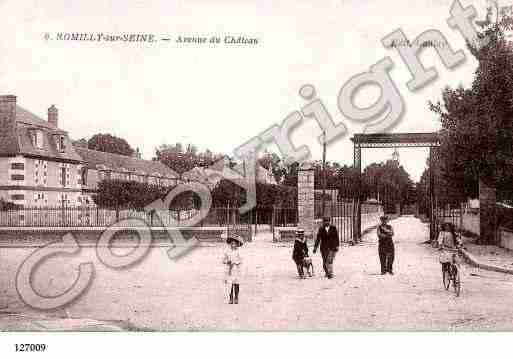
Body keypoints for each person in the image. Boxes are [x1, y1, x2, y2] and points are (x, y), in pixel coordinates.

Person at [222, 234, 243, 304]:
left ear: (237, 244)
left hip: (236, 269)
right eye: (232, 243)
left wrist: (236, 262)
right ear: (230, 244)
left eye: (235, 244)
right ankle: (230, 297)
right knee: (230, 283)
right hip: (229, 269)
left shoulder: (239, 251)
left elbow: (241, 260)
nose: (233, 245)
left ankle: (236, 297)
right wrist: (227, 261)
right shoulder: (227, 251)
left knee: (236, 283)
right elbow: (223, 260)